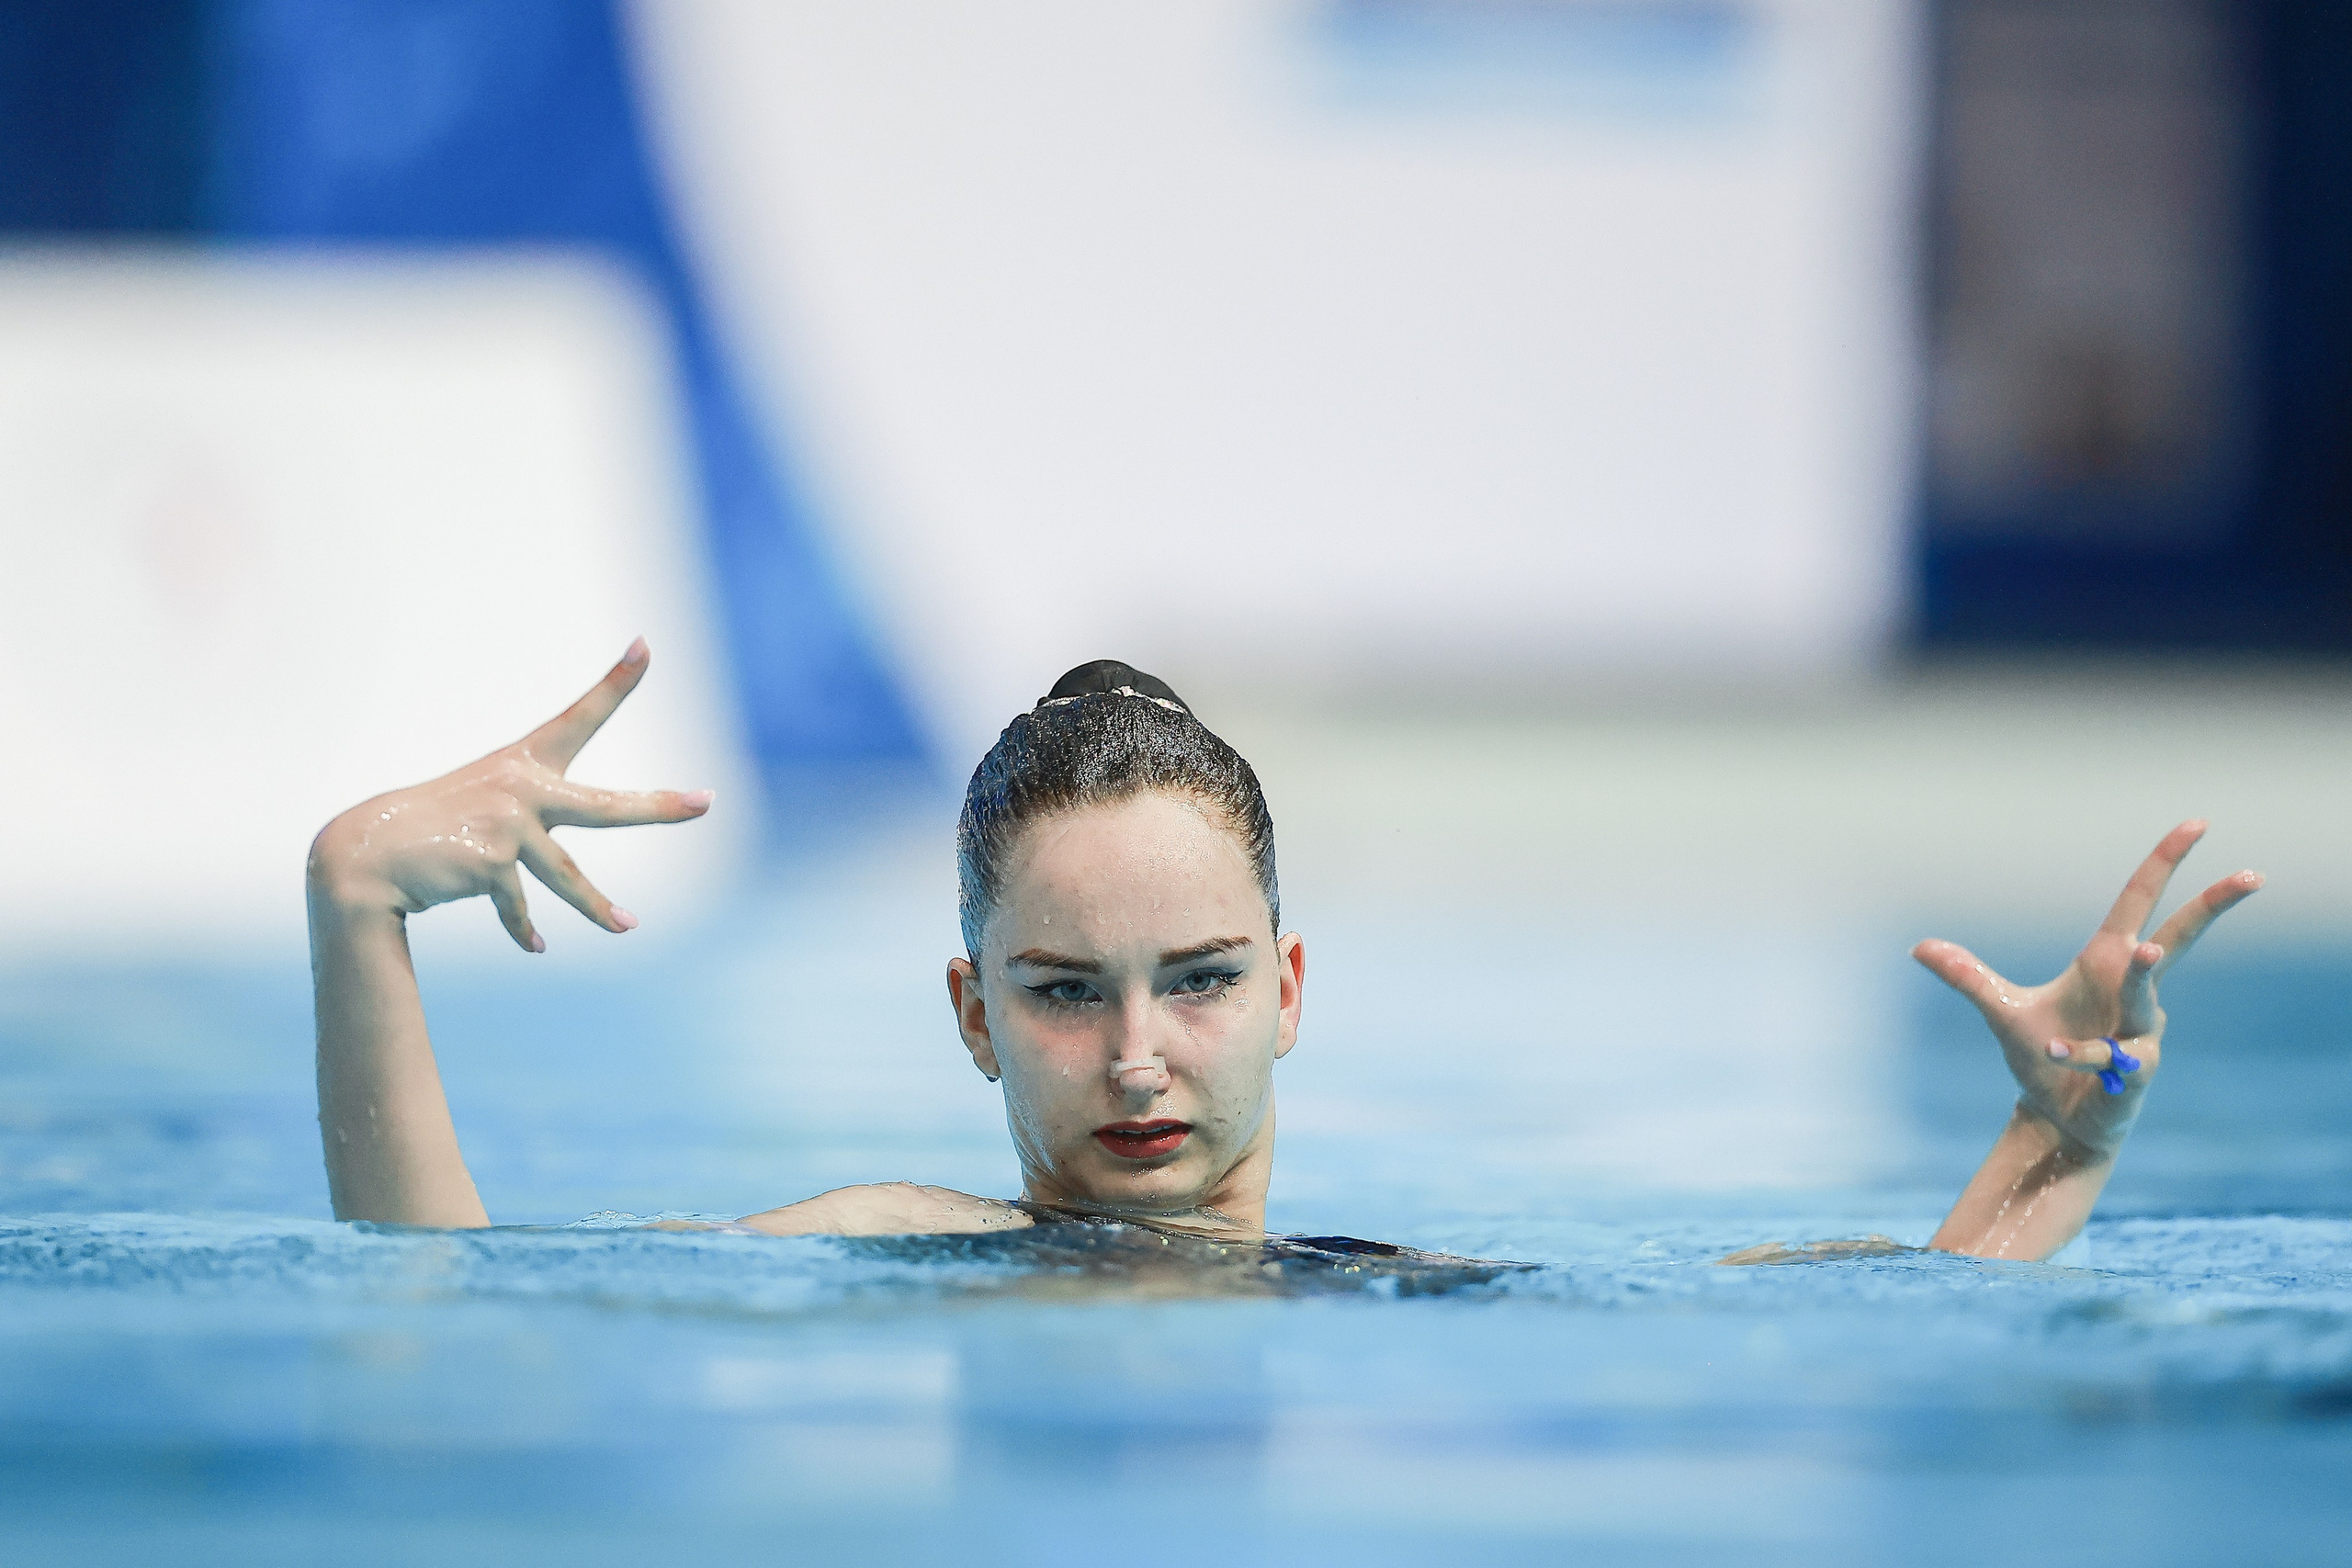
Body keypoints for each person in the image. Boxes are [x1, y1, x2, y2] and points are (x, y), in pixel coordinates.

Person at [306, 645, 2262, 1261]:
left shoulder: (1398, 1291)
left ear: (1291, 990)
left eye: (1200, 977)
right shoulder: (892, 1247)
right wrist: (359, 916)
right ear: (972, 1015)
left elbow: (1909, 1315)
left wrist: (2061, 1139)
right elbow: (447, 1314)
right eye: (1062, 993)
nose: (1138, 1056)